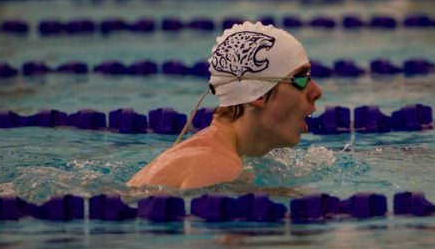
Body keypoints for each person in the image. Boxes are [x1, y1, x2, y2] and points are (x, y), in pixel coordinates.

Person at [128, 22, 323, 190]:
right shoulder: (215, 167)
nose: (316, 92)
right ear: (258, 93)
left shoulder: (212, 154)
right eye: (300, 79)